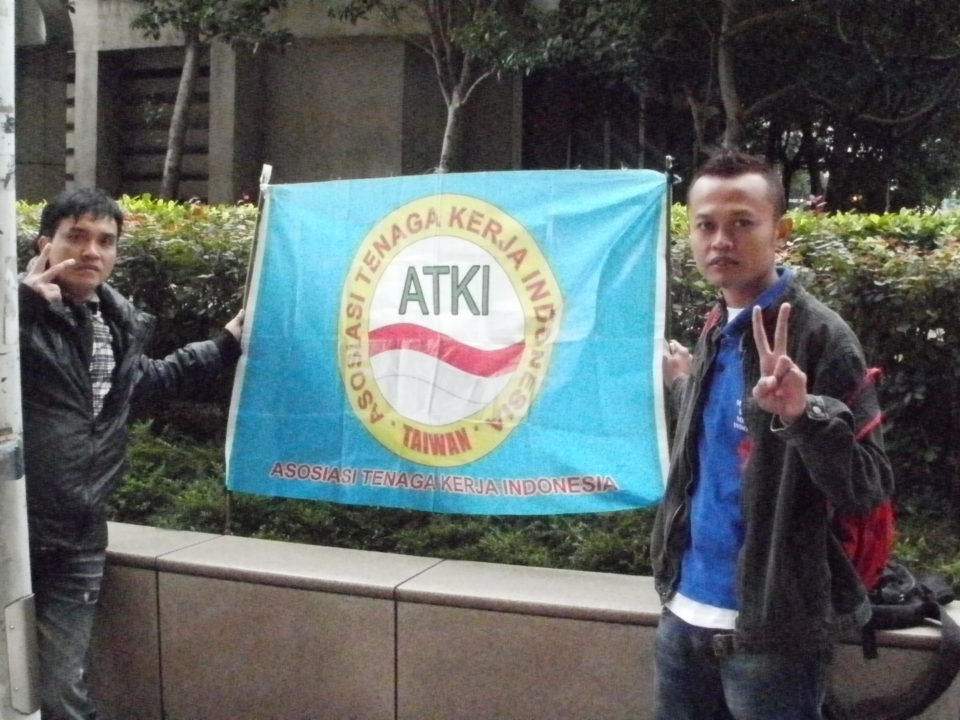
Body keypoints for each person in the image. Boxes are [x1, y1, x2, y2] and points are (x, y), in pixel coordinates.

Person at [650, 152, 893, 720]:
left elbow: (868, 486)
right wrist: (684, 384)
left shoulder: (823, 339)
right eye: (706, 225)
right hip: (682, 613)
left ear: (779, 231)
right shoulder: (716, 324)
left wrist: (802, 415)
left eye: (742, 222)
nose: (720, 241)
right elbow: (725, 435)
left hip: (771, 634)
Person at [19, 187, 244, 720]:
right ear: (45, 243)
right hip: (11, 531)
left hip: (77, 539)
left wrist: (225, 344)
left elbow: (144, 383)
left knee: (62, 692)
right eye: (77, 237)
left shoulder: (114, 324)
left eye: (106, 241)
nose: (91, 251)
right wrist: (22, 305)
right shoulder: (16, 315)